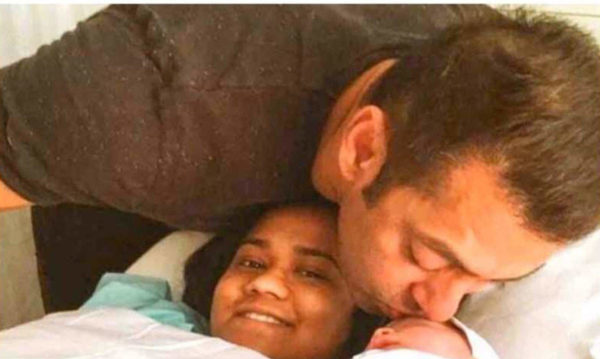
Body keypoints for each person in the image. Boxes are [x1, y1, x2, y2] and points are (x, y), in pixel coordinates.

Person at [2, 6, 600, 322]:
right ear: (363, 149)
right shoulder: (137, 103)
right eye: (427, 257)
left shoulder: (487, 66)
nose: (442, 309)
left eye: (488, 281)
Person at [83, 202, 381, 359]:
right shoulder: (140, 319)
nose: (265, 283)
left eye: (311, 273)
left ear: (362, 313)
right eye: (251, 263)